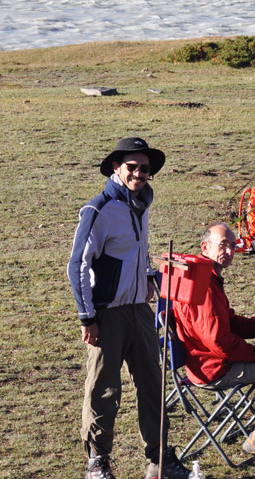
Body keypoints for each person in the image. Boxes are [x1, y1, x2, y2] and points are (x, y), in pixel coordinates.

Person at [67, 137, 189, 479]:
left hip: (139, 311)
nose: (138, 173)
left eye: (144, 168)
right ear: (117, 169)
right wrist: (87, 316)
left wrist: (149, 276)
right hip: (107, 315)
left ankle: (160, 459)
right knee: (105, 390)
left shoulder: (141, 204)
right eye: (131, 167)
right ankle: (98, 461)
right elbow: (78, 264)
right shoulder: (99, 210)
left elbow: (136, 250)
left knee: (153, 384)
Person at [171, 222, 255, 468]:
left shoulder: (205, 276)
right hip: (216, 369)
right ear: (205, 246)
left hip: (213, 361)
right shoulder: (204, 285)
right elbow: (219, 341)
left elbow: (227, 323)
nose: (229, 252)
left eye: (233, 246)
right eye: (223, 245)